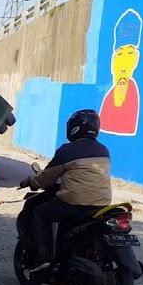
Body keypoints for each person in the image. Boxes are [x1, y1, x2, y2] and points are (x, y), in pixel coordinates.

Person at [22, 109, 112, 272]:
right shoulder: (104, 150)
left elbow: (46, 178)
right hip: (101, 205)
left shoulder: (68, 150)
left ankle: (43, 257)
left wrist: (31, 182)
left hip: (75, 204)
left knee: (40, 213)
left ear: (74, 128)